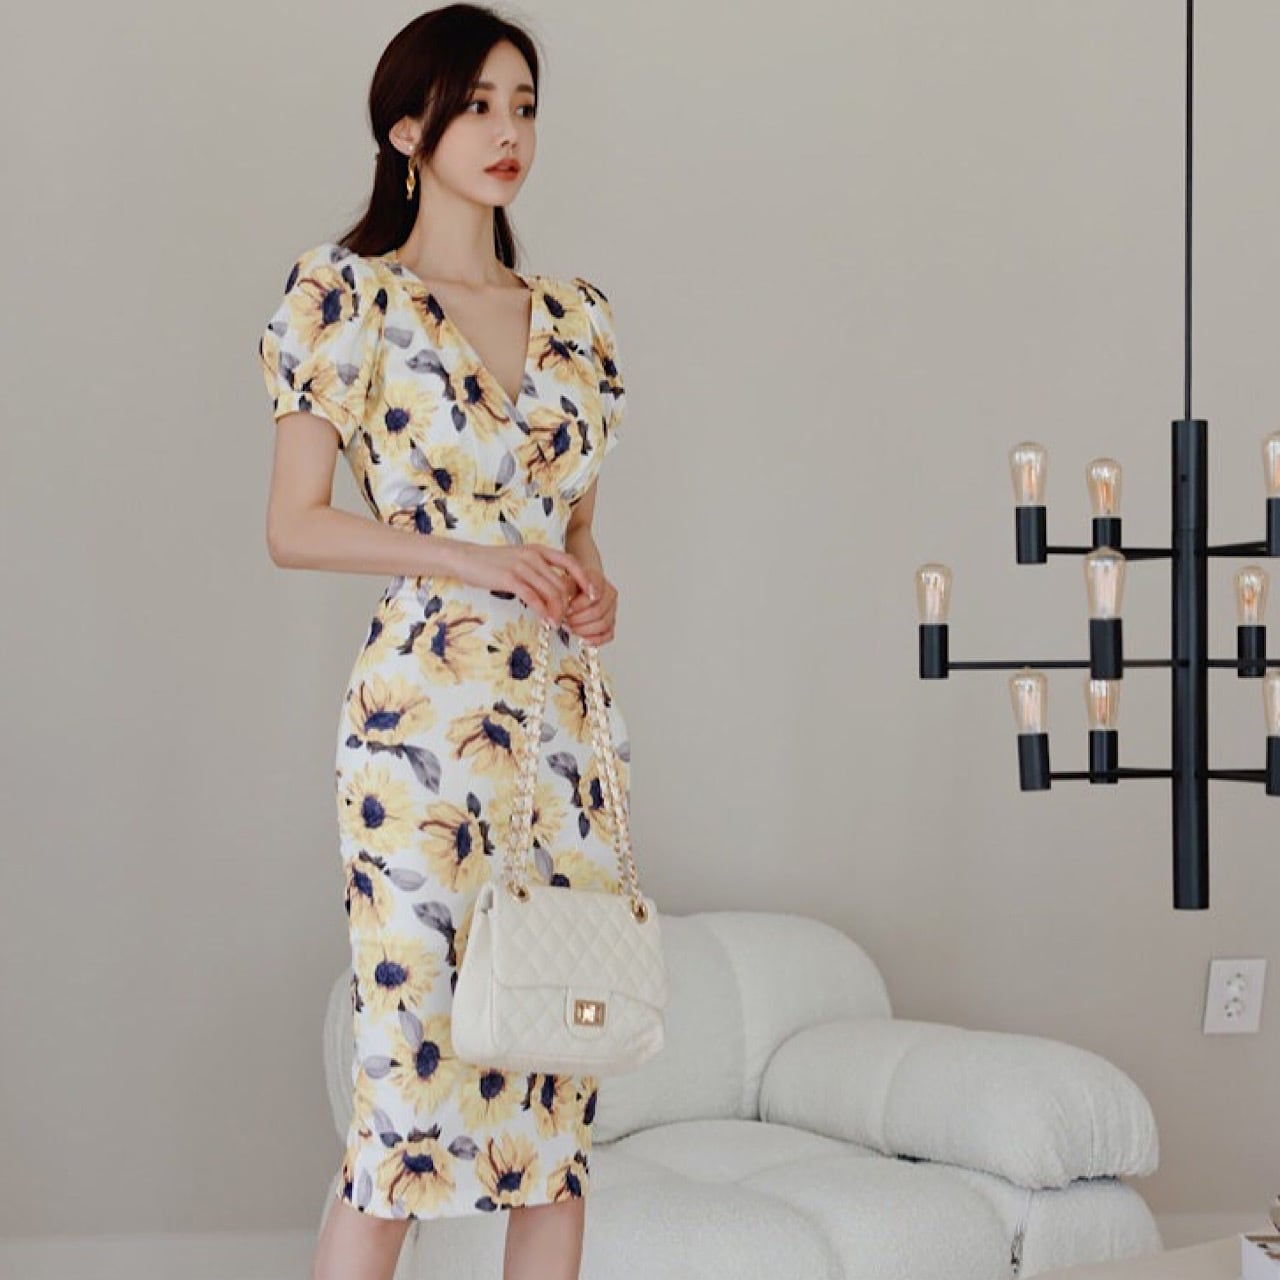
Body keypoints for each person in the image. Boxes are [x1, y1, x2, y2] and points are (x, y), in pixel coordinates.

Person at [256, 7, 630, 1278]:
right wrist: (469, 557)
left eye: (522, 104)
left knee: (556, 1102)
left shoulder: (578, 317)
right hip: (418, 732)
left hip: (561, 735)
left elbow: (577, 532)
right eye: (475, 104)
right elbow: (294, 526)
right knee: (404, 1111)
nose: (506, 129)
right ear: (407, 130)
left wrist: (589, 585)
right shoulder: (345, 296)